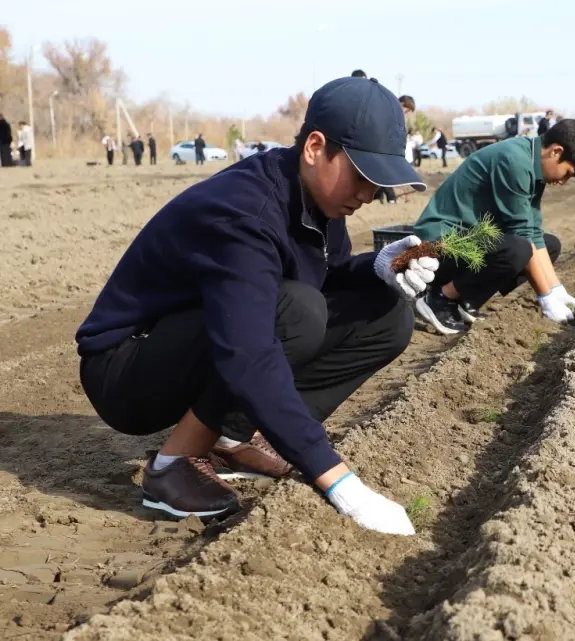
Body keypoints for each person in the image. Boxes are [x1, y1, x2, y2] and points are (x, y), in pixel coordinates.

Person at [74, 76, 435, 535]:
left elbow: (328, 272)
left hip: (195, 340)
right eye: (363, 174)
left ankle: (233, 438)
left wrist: (379, 267)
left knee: (387, 316)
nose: (369, 193)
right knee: (298, 314)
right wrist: (338, 480)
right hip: (125, 367)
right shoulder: (247, 212)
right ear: (315, 148)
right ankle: (173, 465)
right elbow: (247, 354)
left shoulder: (314, 198)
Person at [411, 119, 575, 335]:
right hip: (441, 243)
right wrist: (545, 298)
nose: (563, 181)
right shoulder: (515, 161)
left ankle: (464, 301)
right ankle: (440, 297)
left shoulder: (533, 163)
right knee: (518, 249)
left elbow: (533, 230)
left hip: (470, 238)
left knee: (549, 244)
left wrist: (557, 290)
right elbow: (522, 233)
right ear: (556, 152)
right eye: (567, 173)